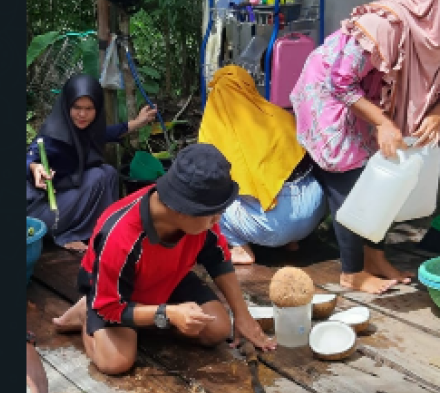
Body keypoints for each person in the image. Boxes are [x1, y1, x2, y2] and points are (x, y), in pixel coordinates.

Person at [291, 0, 440, 294]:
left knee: (387, 174)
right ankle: (352, 271)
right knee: (351, 180)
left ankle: (374, 256)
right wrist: (383, 123)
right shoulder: (387, 26)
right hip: (332, 96)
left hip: (379, 101)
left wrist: (436, 114)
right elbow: (340, 82)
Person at [52, 143, 276, 375]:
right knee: (115, 362)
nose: (217, 219)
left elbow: (217, 257)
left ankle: (145, 324)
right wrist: (168, 314)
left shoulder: (200, 219)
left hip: (169, 276)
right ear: (183, 210)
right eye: (213, 213)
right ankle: (86, 314)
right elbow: (110, 306)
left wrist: (242, 315)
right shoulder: (119, 236)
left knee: (217, 329)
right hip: (119, 295)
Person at [197, 65, 327, 266]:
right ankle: (293, 243)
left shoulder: (214, 131)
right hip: (313, 212)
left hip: (269, 227)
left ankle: (241, 250)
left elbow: (207, 181)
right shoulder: (282, 116)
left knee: (210, 201)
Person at [27, 74, 158, 251]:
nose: (82, 114)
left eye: (89, 108)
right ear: (67, 106)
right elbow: (32, 155)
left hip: (65, 201)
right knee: (97, 175)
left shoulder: (83, 129)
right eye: (77, 107)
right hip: (41, 215)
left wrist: (138, 122)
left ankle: (103, 229)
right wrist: (35, 167)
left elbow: (106, 133)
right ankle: (69, 235)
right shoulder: (53, 135)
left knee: (108, 172)